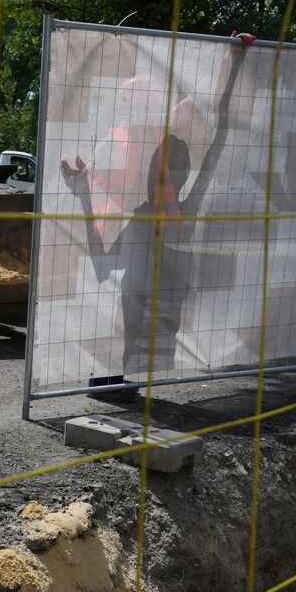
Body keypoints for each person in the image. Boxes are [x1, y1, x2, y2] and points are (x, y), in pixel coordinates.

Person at [61, 36, 250, 382]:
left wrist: (233, 64)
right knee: (146, 369)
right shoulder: (162, 214)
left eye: (164, 169)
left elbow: (219, 134)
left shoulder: (167, 215)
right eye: (157, 168)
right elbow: (103, 267)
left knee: (152, 368)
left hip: (152, 336)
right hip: (143, 339)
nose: (157, 174)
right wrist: (85, 195)